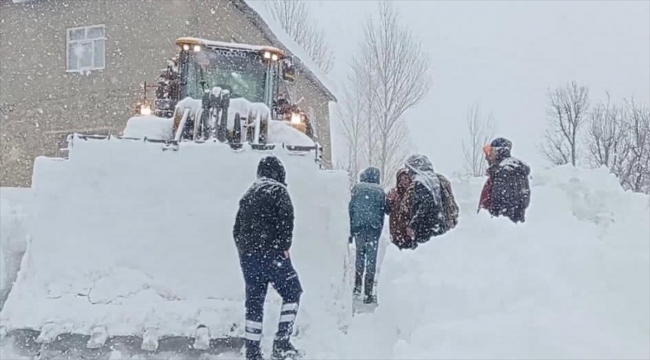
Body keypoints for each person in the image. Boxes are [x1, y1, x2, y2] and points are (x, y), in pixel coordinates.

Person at [233, 156, 303, 360]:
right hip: (271, 253)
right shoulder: (278, 191)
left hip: (248, 257)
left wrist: (245, 252)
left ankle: (253, 352)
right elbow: (286, 220)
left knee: (254, 302)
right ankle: (282, 342)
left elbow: (236, 229)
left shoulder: (248, 194)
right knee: (293, 291)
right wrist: (283, 246)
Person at [348, 167, 386, 304]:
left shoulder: (357, 189)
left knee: (360, 256)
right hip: (374, 230)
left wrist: (350, 231)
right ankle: (368, 292)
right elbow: (383, 211)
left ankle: (357, 286)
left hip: (359, 229)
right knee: (371, 259)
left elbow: (351, 209)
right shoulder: (380, 191)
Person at [401, 154, 452, 244]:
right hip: (438, 224)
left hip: (425, 228)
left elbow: (427, 203)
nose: (408, 173)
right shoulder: (434, 180)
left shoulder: (420, 183)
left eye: (409, 170)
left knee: (424, 255)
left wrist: (413, 224)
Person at [478, 137, 531, 223]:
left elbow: (499, 200)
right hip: (507, 223)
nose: (488, 157)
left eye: (491, 152)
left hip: (503, 226)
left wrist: (494, 219)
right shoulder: (507, 170)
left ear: (498, 151)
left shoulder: (505, 171)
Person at [386, 168, 417, 250]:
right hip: (397, 233)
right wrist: (389, 201)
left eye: (406, 178)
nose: (404, 181)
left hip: (410, 232)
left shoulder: (415, 193)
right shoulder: (395, 194)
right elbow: (387, 210)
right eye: (401, 179)